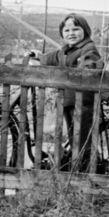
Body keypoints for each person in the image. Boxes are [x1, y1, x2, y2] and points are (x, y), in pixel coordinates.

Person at [41, 14, 103, 172]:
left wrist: (85, 69)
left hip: (84, 103)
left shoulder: (88, 49)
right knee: (75, 140)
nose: (71, 33)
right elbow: (54, 57)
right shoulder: (68, 50)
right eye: (67, 30)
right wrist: (39, 57)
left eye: (76, 29)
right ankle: (79, 172)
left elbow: (91, 67)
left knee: (83, 144)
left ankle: (88, 176)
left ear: (85, 31)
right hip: (70, 102)